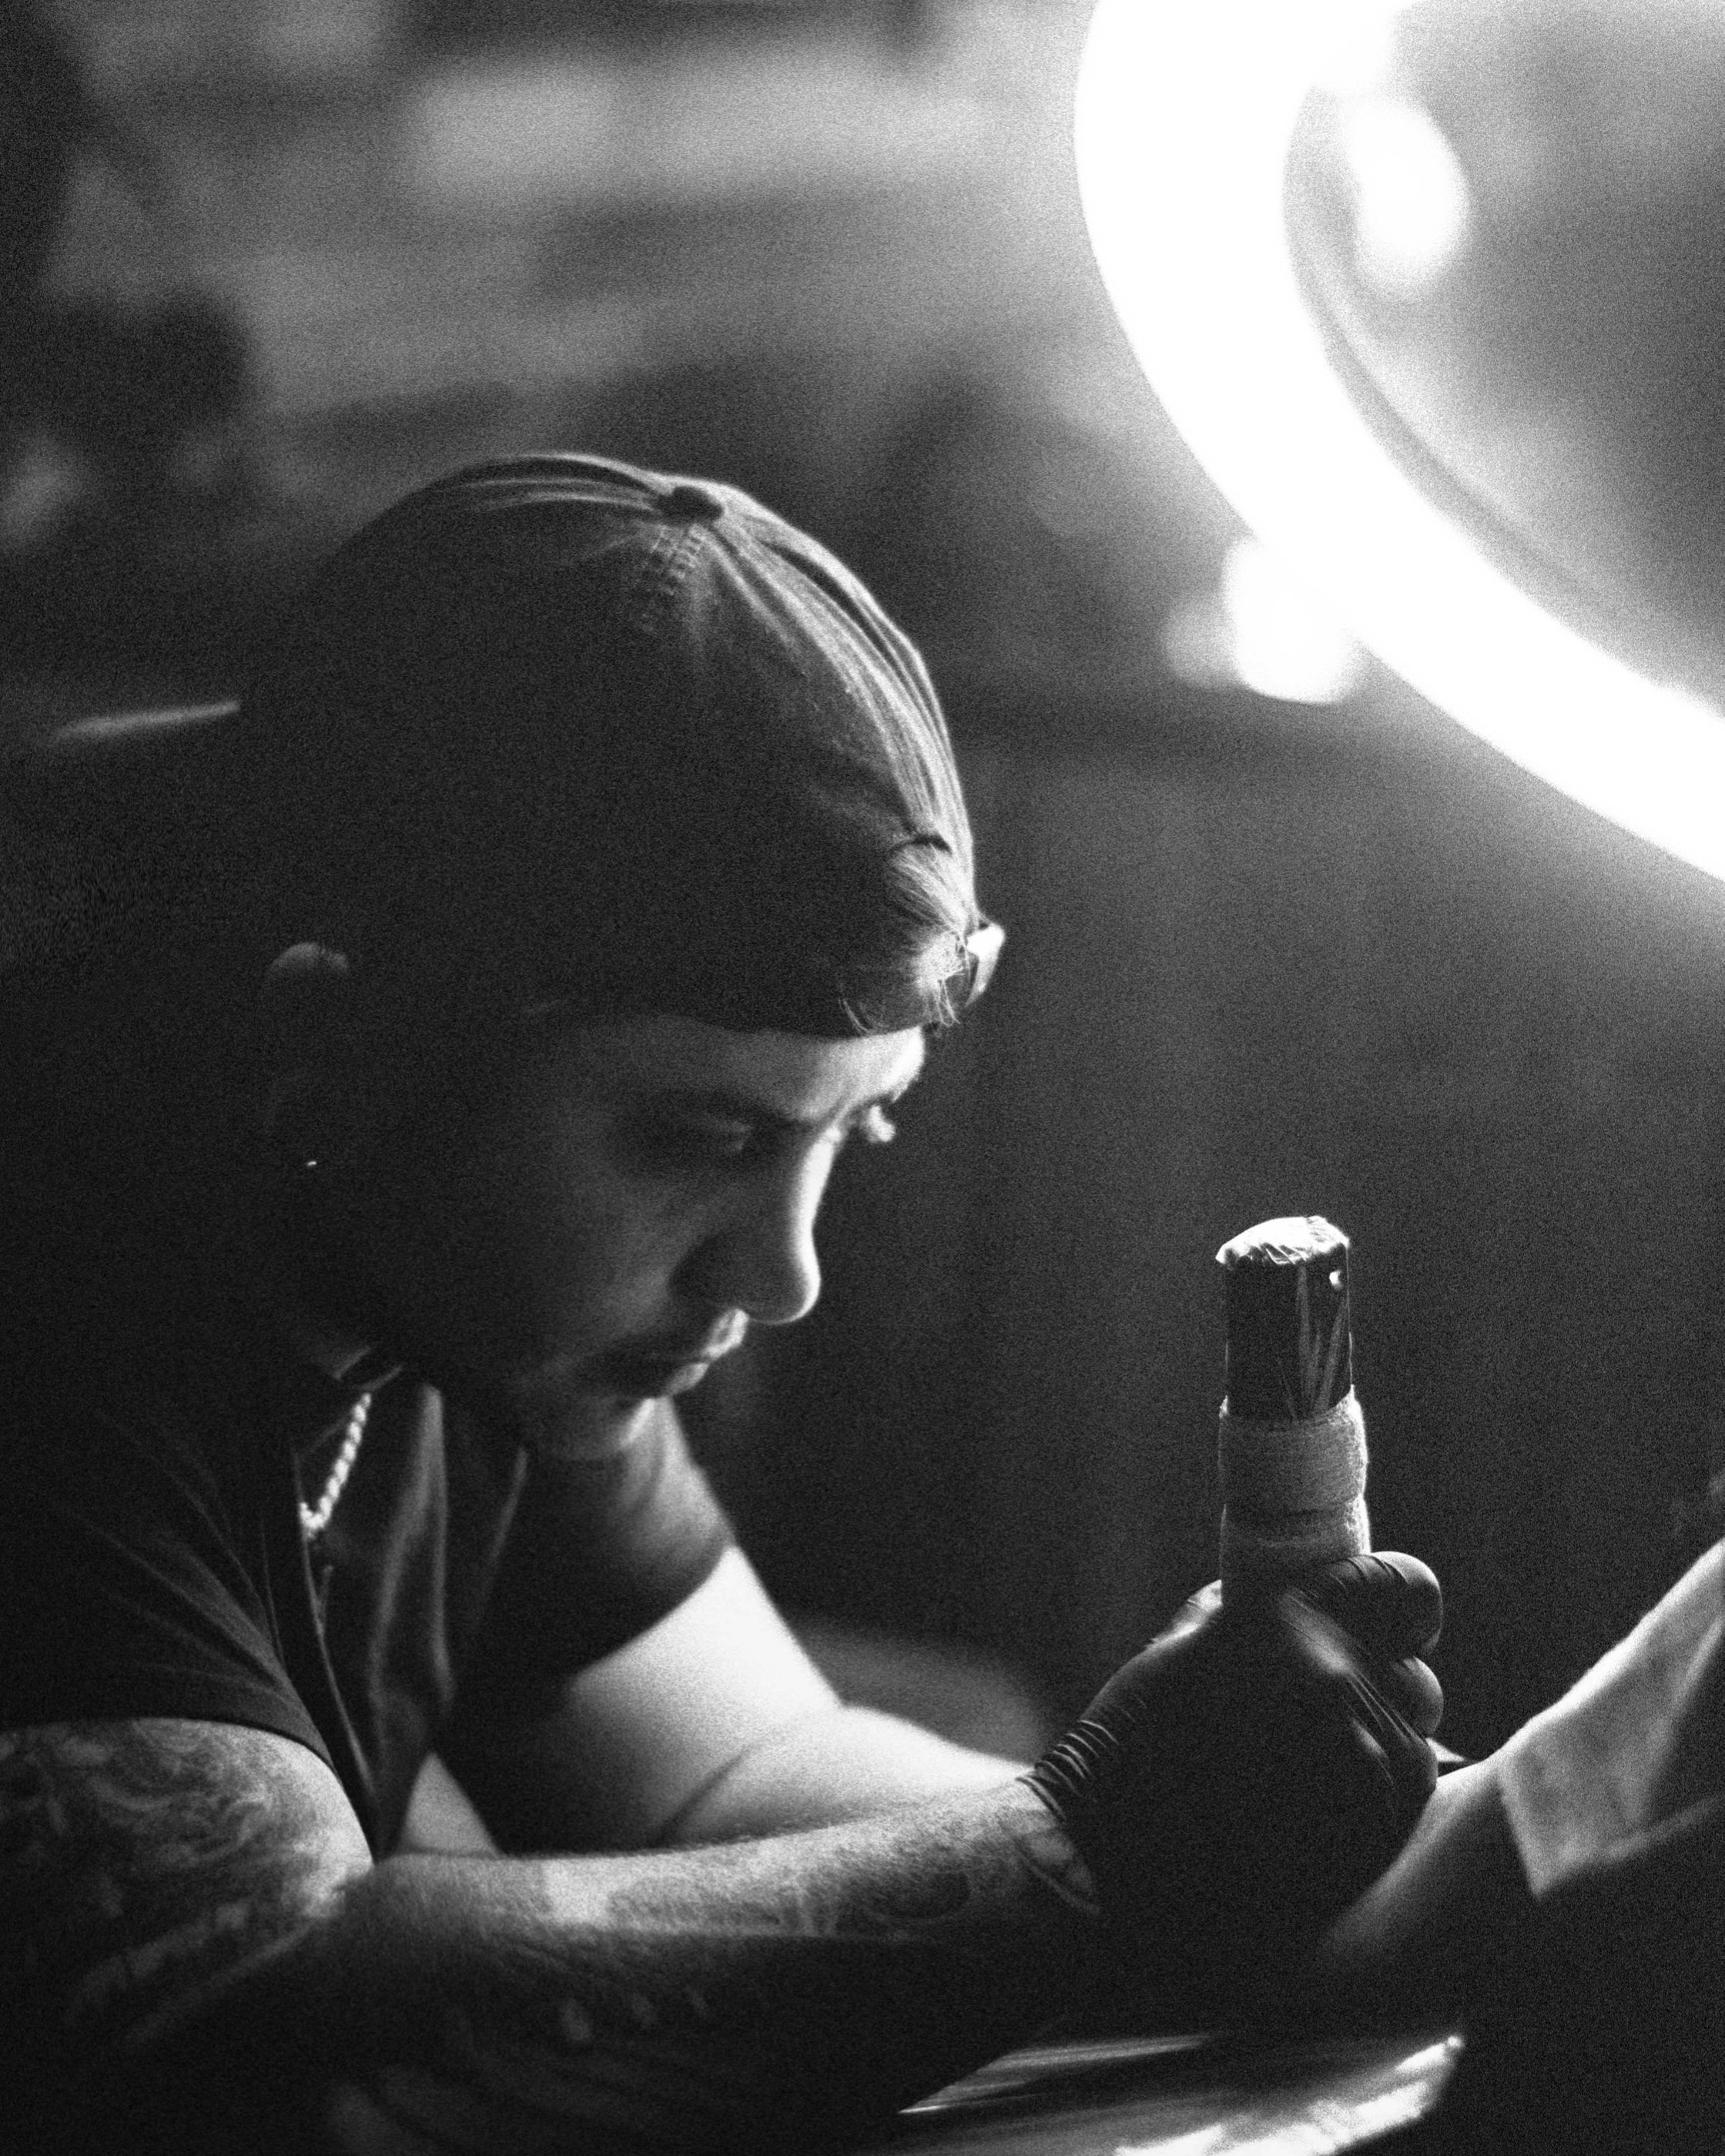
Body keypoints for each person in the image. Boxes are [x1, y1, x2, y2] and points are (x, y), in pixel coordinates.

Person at [0, 453, 1445, 2155]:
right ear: (341, 1045)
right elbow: (261, 2028)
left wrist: (1389, 1847)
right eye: (704, 1137)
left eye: (853, 1125)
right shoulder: (66, 1244)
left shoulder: (467, 1281)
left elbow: (739, 1766)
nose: (785, 1271)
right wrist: (1083, 1850)